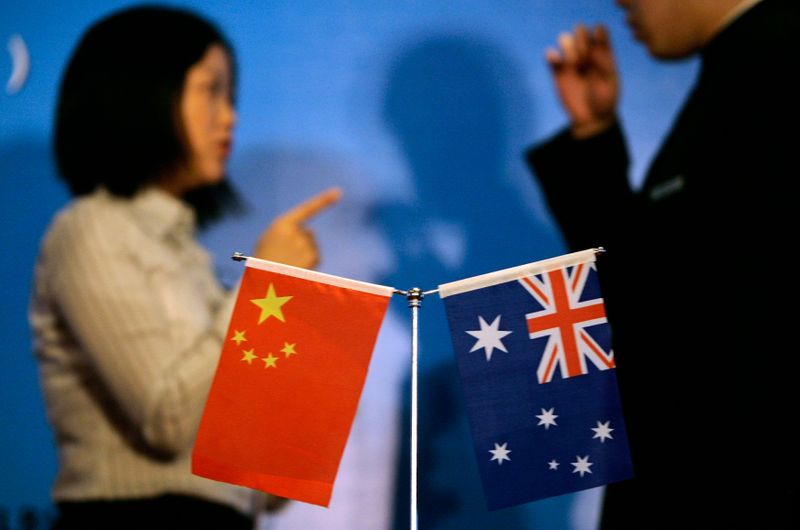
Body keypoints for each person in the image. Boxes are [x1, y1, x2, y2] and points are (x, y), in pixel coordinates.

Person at [28, 5, 340, 529]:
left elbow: (264, 487)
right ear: (143, 92)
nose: (230, 115)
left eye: (231, 95)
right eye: (211, 90)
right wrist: (265, 285)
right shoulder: (91, 229)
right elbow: (169, 420)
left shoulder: (194, 259)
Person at [525, 0, 798, 528]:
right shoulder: (741, 71)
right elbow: (660, 275)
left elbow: (681, 309)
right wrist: (593, 136)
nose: (618, 2)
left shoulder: (777, 69)